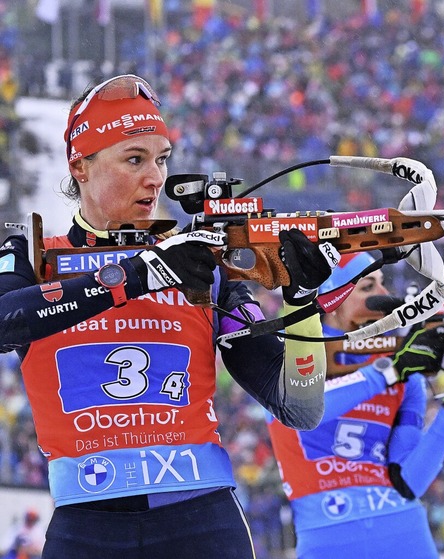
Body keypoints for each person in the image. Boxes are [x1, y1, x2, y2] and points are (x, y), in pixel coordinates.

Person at [0, 74, 338, 558]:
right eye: (134, 159)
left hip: (202, 521)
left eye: (162, 159)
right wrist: (139, 275)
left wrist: (303, 301)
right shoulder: (33, 254)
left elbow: (300, 408)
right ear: (81, 167)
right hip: (87, 523)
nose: (155, 177)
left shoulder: (201, 267)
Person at [266, 252, 444, 559]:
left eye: (383, 284)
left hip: (404, 529)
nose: (384, 296)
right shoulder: (295, 352)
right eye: (367, 287)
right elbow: (302, 411)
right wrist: (388, 373)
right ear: (333, 297)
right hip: (328, 533)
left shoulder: (402, 367)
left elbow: (409, 483)